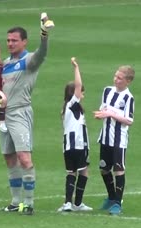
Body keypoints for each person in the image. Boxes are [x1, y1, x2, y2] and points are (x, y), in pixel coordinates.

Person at [0, 13, 54, 215]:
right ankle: (15, 201)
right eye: (8, 40)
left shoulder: (29, 60)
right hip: (3, 115)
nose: (10, 43)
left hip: (20, 113)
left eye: (14, 40)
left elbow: (42, 53)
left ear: (24, 42)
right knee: (9, 158)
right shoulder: (4, 63)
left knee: (25, 158)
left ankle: (29, 203)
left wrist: (44, 35)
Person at [93, 65, 135, 215]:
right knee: (104, 169)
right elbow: (104, 109)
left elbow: (129, 120)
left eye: (119, 78)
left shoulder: (128, 98)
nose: (115, 80)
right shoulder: (107, 91)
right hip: (105, 137)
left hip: (119, 140)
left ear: (128, 81)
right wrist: (101, 114)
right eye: (115, 76)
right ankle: (111, 197)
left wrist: (110, 114)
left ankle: (118, 203)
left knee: (118, 170)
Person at [57, 57, 92, 212]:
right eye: (81, 92)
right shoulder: (72, 105)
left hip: (68, 146)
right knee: (83, 171)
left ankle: (67, 203)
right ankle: (77, 203)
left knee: (71, 173)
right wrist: (76, 67)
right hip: (78, 144)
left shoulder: (66, 108)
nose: (82, 94)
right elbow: (78, 86)